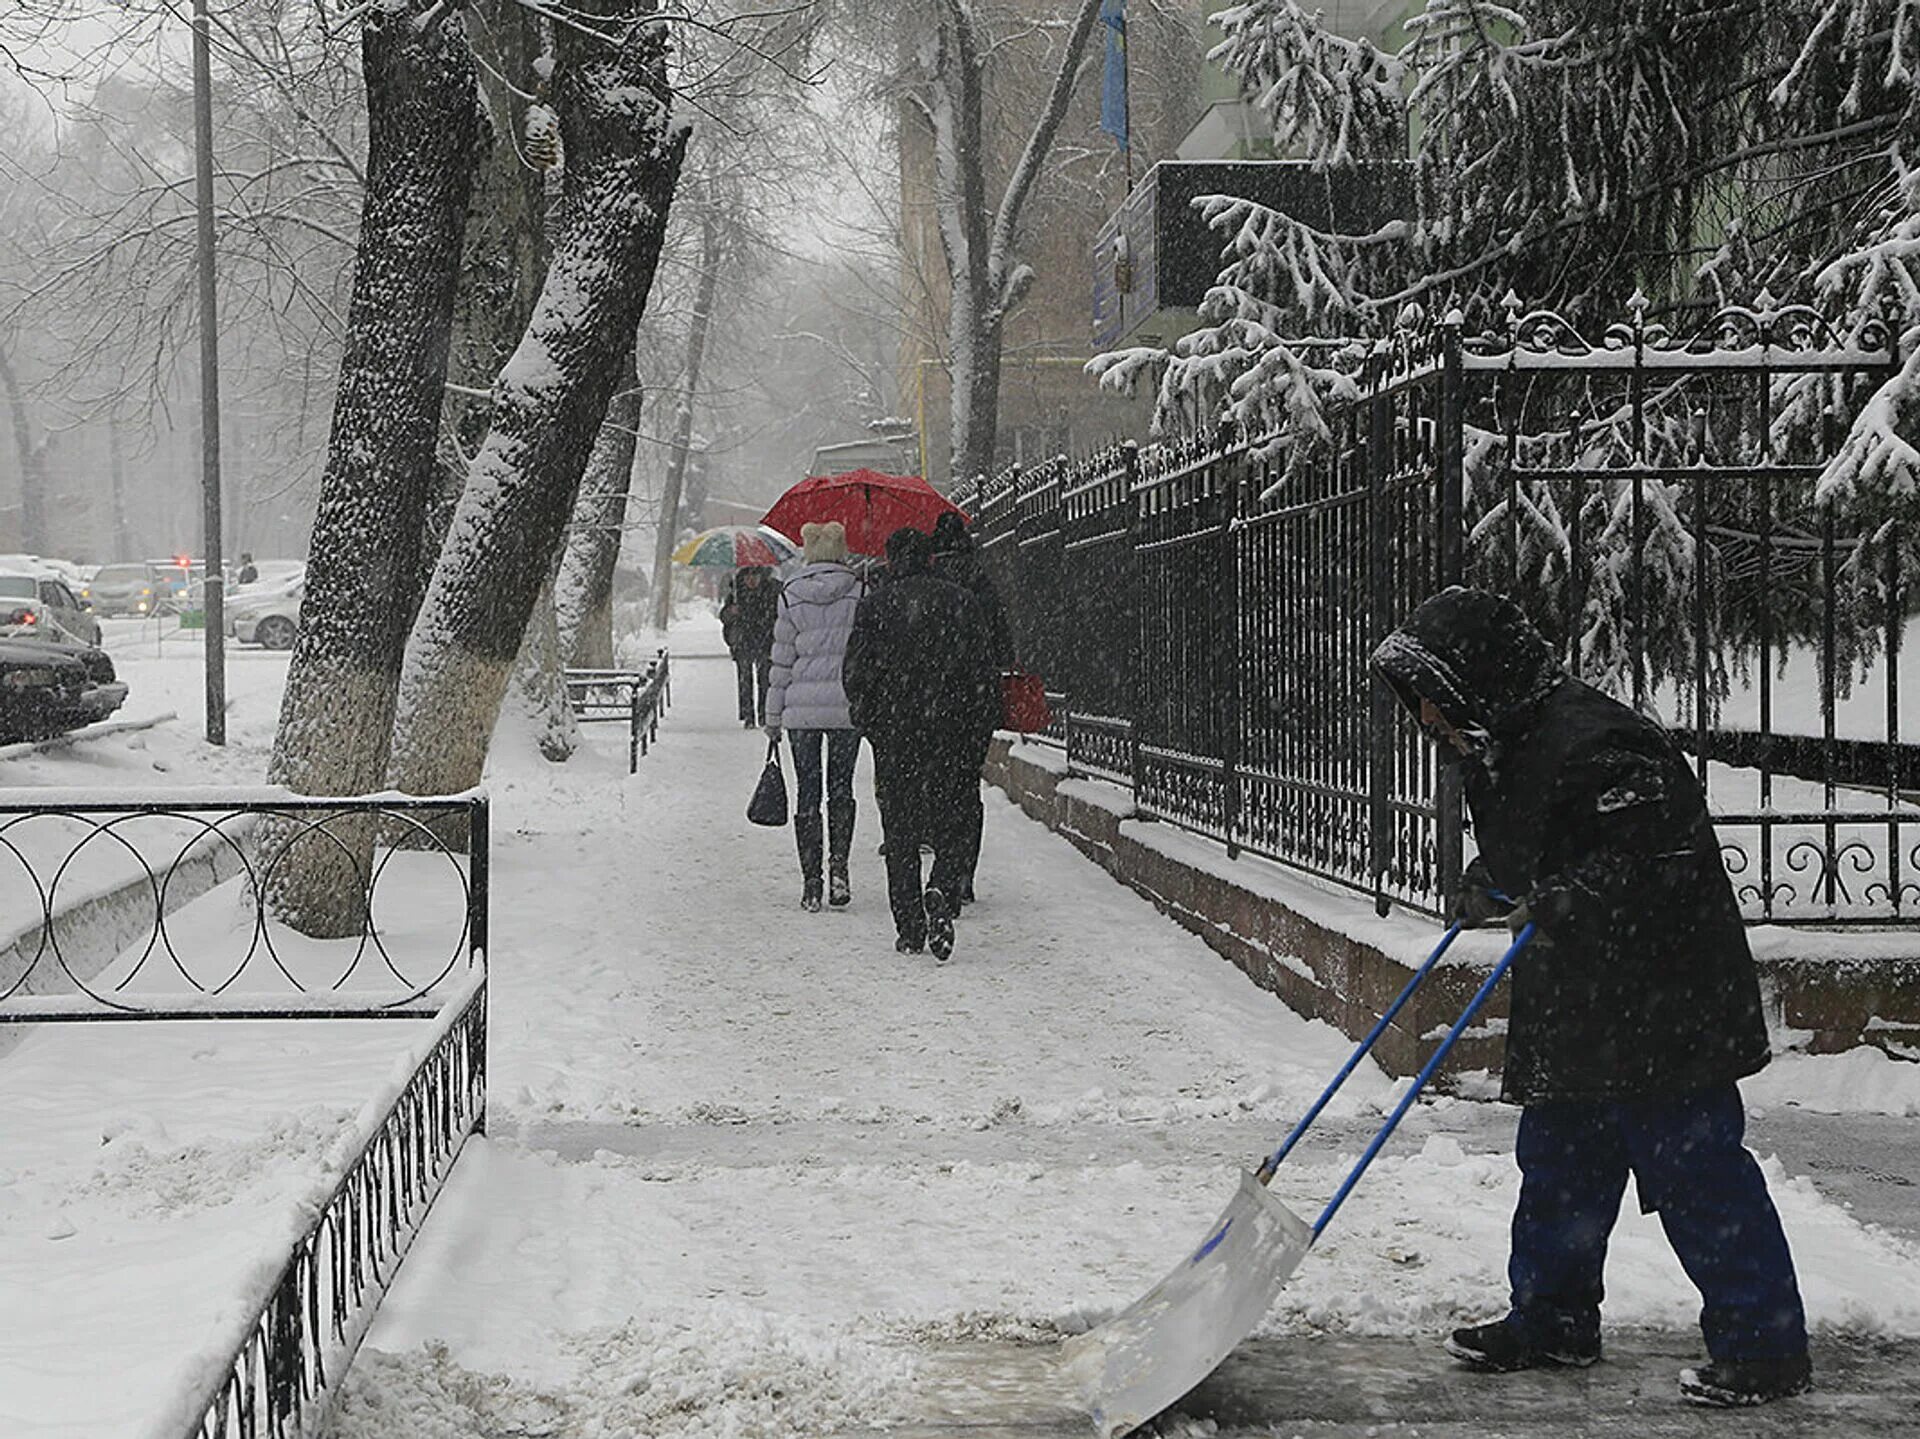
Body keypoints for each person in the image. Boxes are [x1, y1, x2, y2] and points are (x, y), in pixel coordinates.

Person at [1370, 585, 1811, 1409]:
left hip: (1661, 998)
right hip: (1580, 997)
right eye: (1417, 697)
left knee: (1694, 1169)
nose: (1424, 713)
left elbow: (1648, 859)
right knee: (1560, 1162)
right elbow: (1545, 842)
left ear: (1477, 676)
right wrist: (1491, 885)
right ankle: (1554, 1317)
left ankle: (1765, 1346)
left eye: (1431, 693)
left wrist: (1567, 896)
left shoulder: (1601, 740)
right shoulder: (1499, 743)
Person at [843, 526, 998, 961]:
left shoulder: (875, 605)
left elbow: (855, 672)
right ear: (930, 558)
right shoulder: (961, 603)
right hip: (951, 730)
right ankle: (943, 888)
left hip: (896, 734)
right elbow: (982, 675)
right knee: (954, 817)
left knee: (900, 829)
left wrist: (870, 720)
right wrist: (976, 728)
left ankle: (909, 925)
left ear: (892, 560)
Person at [764, 522, 863, 913]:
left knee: (808, 791)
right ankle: (839, 868)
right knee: (841, 788)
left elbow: (781, 662)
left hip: (800, 711)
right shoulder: (859, 590)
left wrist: (773, 719)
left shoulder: (790, 595)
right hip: (845, 707)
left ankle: (811, 883)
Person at [930, 510, 1013, 906]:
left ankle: (943, 866)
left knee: (936, 785)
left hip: (931, 701)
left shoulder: (930, 585)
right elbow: (1003, 645)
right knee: (966, 789)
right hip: (975, 701)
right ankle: (964, 874)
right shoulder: (981, 582)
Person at [720, 565, 780, 728]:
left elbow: (777, 615)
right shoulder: (736, 593)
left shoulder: (771, 591)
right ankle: (748, 715)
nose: (751, 580)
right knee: (745, 680)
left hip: (765, 641)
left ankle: (763, 714)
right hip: (743, 641)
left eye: (755, 576)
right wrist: (732, 611)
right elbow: (724, 617)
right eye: (747, 576)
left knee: (765, 680)